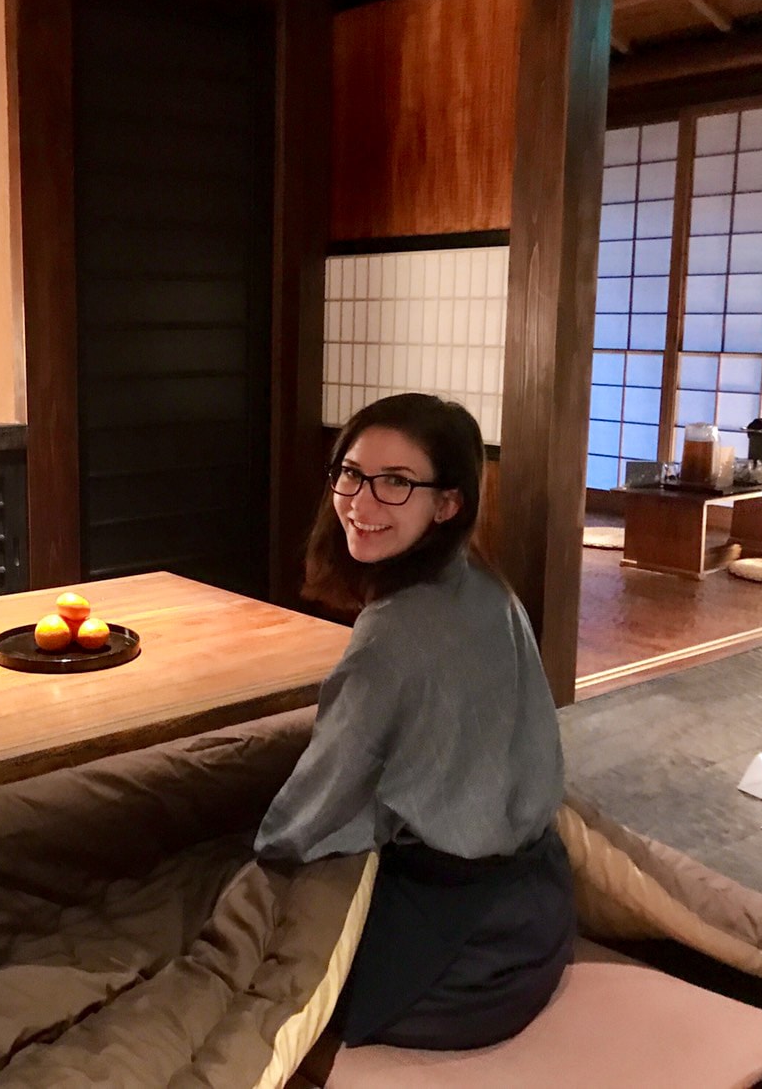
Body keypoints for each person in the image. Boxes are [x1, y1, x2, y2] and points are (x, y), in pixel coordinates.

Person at [254, 392, 573, 1051]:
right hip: (540, 922)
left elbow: (313, 812)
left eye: (396, 483)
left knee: (246, 948)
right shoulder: (489, 587)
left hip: (457, 964)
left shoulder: (392, 638)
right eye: (351, 473)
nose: (360, 503)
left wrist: (259, 862)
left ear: (447, 503)